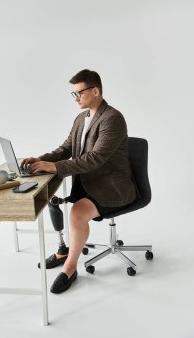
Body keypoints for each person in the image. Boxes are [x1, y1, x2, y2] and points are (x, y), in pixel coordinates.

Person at [21, 69, 139, 294]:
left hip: (113, 187)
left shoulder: (113, 118)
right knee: (52, 198)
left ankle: (69, 268)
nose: (75, 98)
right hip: (88, 182)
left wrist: (55, 168)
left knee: (76, 212)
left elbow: (95, 158)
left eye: (79, 93)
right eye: (73, 94)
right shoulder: (81, 118)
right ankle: (63, 250)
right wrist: (41, 160)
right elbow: (67, 148)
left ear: (95, 91)